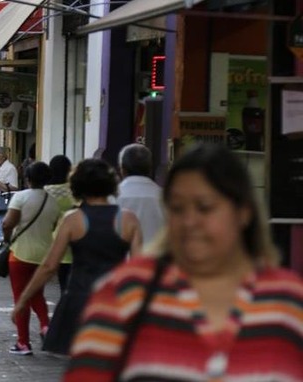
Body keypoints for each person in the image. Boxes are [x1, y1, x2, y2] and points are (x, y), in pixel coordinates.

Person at [64, 143, 303, 381]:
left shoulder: (286, 300)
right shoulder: (123, 293)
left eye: (205, 207)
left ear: (243, 213)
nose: (189, 221)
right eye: (177, 208)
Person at [11, 159, 142, 356]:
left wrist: (23, 300)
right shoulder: (128, 218)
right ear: (111, 184)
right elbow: (140, 266)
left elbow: (49, 266)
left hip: (80, 298)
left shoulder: (73, 220)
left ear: (77, 186)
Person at [2, 162, 60, 355]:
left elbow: (7, 223)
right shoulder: (53, 202)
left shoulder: (20, 197)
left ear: (27, 178)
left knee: (21, 298)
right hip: (43, 255)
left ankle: (23, 342)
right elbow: (53, 227)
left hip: (20, 254)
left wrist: (7, 239)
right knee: (36, 293)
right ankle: (45, 326)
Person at [116, 143, 165, 247]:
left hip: (122, 261)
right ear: (150, 168)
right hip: (156, 260)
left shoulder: (111, 198)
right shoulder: (165, 197)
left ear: (122, 169)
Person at [43, 155, 76, 295]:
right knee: (67, 283)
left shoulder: (45, 192)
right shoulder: (74, 191)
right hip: (72, 241)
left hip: (50, 241)